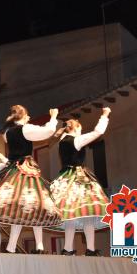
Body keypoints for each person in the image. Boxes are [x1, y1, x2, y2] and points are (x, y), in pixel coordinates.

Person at [0, 105, 63, 254]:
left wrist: (24, 122)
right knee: (36, 204)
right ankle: (34, 246)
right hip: (25, 171)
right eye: (27, 115)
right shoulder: (25, 129)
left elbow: (15, 134)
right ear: (23, 115)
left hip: (13, 171)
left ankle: (22, 246)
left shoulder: (7, 132)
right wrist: (53, 117)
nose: (28, 118)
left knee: (24, 208)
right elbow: (47, 131)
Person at [50, 107, 111, 256]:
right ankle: (90, 249)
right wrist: (104, 115)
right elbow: (98, 132)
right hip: (77, 179)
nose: (81, 132)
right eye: (80, 129)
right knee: (87, 214)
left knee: (70, 215)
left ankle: (68, 248)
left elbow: (63, 135)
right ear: (76, 128)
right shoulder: (76, 140)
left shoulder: (62, 141)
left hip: (64, 178)